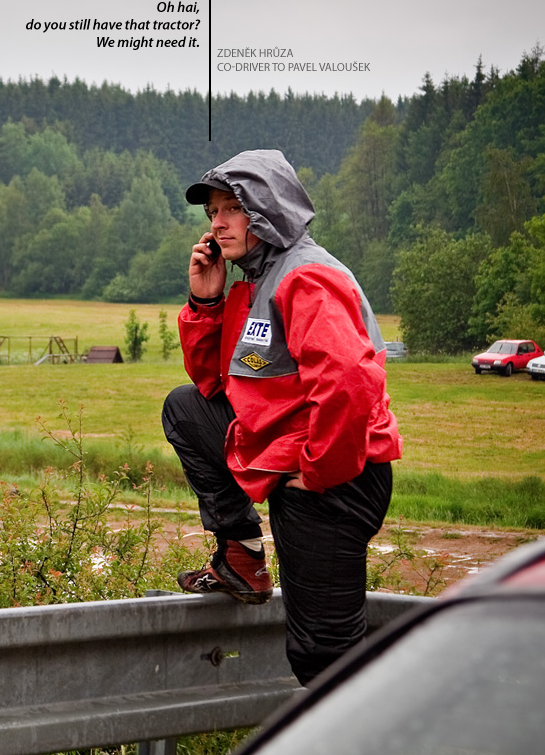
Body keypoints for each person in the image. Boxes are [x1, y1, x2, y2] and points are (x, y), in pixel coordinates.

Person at [162, 149, 402, 686]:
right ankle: (241, 555)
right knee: (184, 408)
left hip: (334, 480)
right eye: (211, 214)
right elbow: (217, 386)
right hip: (299, 464)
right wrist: (206, 304)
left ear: (266, 211)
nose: (217, 224)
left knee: (322, 655)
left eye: (231, 209)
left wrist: (316, 472)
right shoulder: (255, 283)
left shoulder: (307, 277)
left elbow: (350, 384)